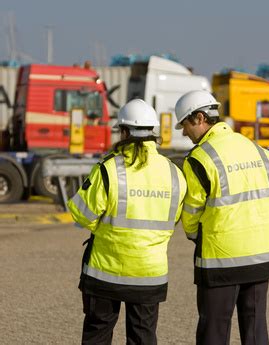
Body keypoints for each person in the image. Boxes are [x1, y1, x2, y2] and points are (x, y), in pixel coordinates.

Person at [68, 99, 187, 345]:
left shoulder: (108, 169)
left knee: (98, 333)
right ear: (153, 133)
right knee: (143, 336)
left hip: (105, 272)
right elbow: (173, 219)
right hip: (149, 274)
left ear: (123, 132)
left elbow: (82, 214)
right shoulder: (175, 173)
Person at [174, 90, 269, 345]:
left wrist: (195, 236)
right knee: (255, 330)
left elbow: (191, 214)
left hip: (222, 259)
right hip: (262, 256)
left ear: (200, 118)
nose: (184, 133)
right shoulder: (261, 152)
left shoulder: (200, 159)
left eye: (185, 125)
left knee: (214, 331)